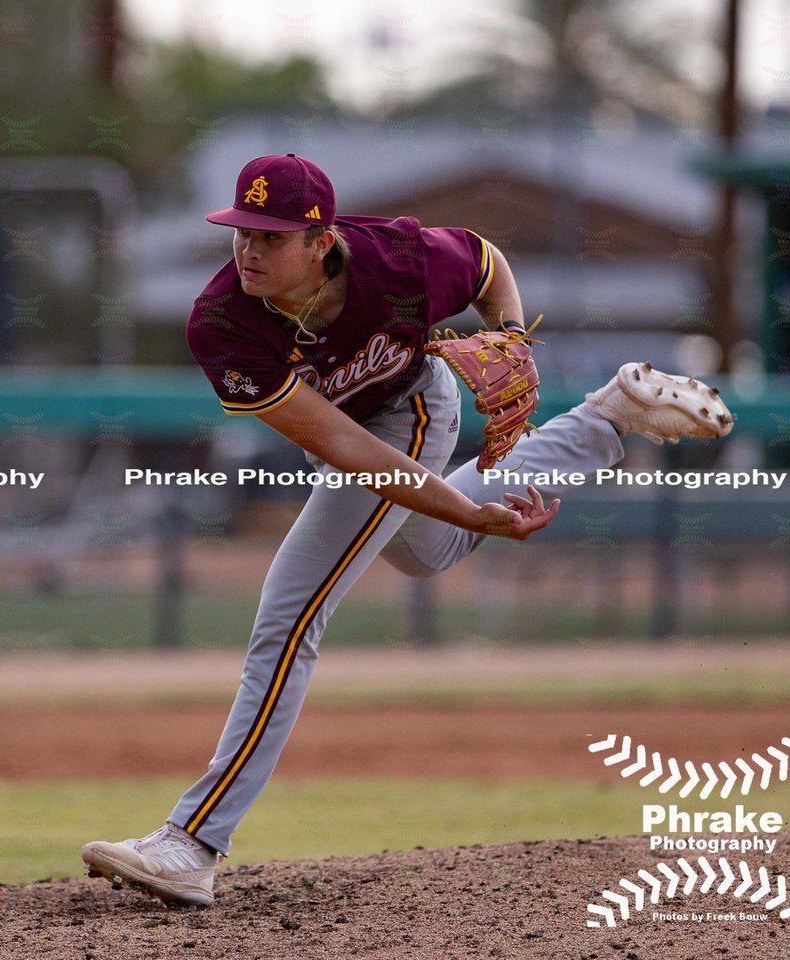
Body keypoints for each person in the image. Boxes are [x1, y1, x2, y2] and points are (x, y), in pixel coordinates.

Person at [81, 153, 733, 907]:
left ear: (321, 239)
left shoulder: (399, 261)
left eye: (272, 235)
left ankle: (193, 841)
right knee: (432, 550)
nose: (249, 251)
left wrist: (511, 337)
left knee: (289, 615)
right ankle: (601, 421)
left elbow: (488, 265)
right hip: (349, 437)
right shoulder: (223, 322)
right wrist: (463, 511)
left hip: (415, 410)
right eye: (242, 232)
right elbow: (343, 449)